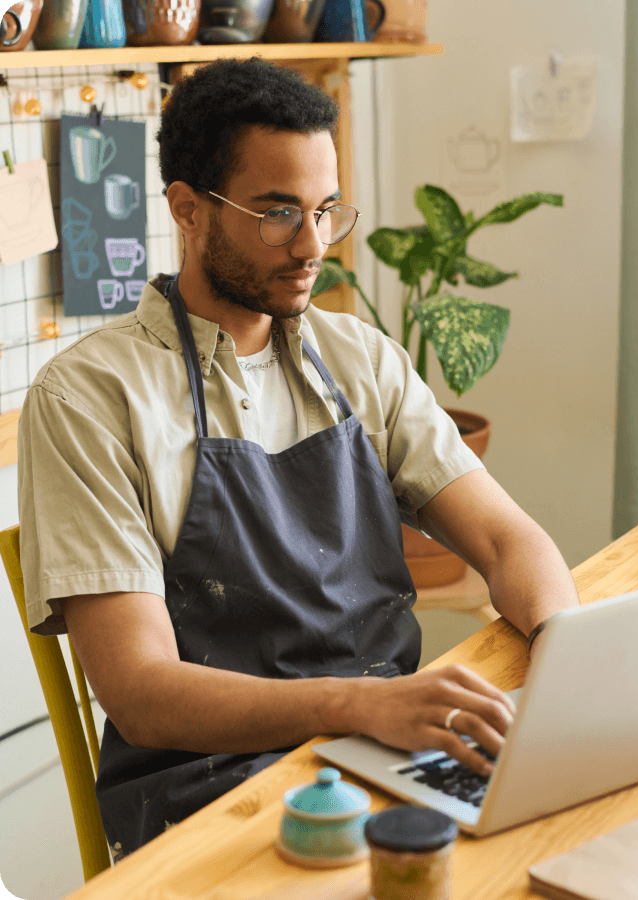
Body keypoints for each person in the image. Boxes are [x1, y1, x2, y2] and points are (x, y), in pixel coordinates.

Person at [17, 58, 580, 860]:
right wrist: (359, 706)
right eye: (278, 213)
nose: (312, 245)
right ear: (186, 210)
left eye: (326, 210)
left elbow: (505, 540)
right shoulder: (89, 398)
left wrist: (567, 653)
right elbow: (140, 693)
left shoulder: (361, 358)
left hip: (386, 747)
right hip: (211, 795)